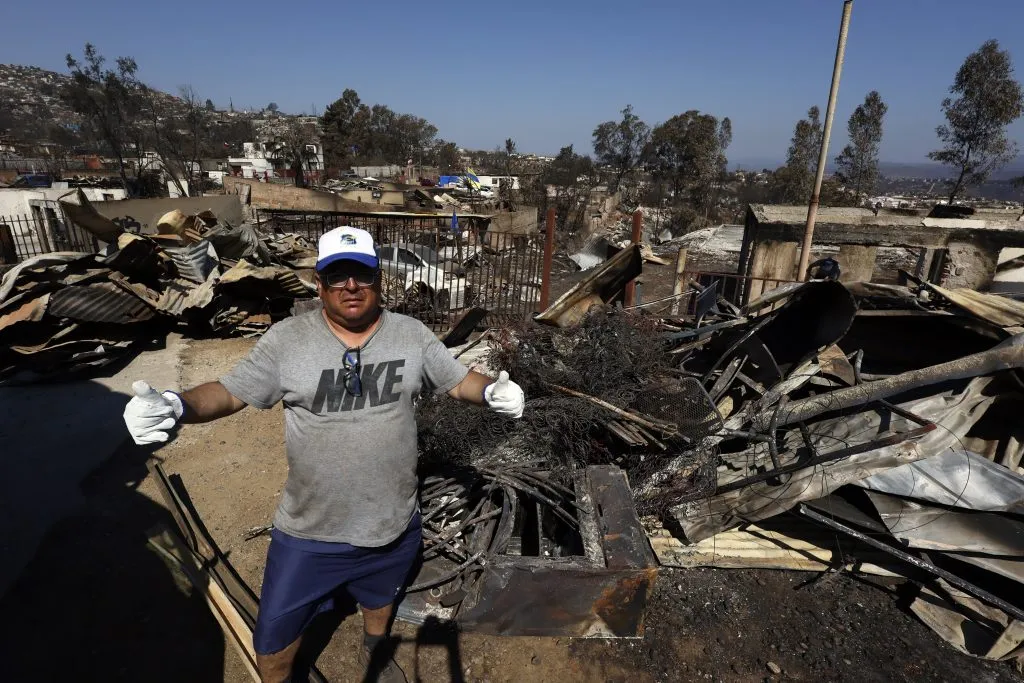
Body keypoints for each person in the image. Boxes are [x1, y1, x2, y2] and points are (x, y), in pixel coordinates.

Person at [123, 226, 525, 683]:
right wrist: (177, 405)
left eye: (361, 274)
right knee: (273, 645)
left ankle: (375, 646)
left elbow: (455, 379)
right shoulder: (287, 340)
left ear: (378, 279)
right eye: (337, 276)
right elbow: (231, 393)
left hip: (391, 518)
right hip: (311, 531)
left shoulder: (411, 335)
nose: (350, 286)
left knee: (380, 597)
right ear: (320, 283)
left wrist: (491, 391)